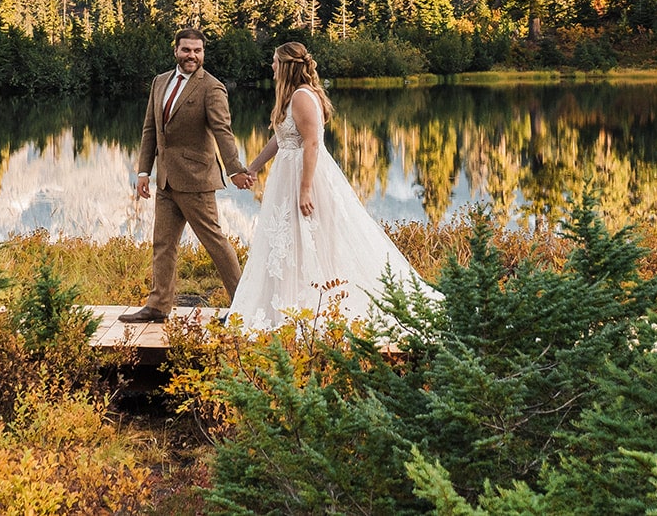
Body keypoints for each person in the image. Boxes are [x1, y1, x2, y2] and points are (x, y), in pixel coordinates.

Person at [229, 41, 439, 331]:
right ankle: (288, 306)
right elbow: (281, 138)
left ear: (288, 66)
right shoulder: (290, 98)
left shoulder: (303, 97)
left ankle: (314, 306)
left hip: (304, 177)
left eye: (276, 62)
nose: (272, 67)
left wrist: (304, 189)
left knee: (307, 238)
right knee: (286, 243)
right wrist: (253, 167)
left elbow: (312, 144)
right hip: (285, 176)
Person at [119, 29, 255, 324]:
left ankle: (243, 305)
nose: (192, 55)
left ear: (203, 53)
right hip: (165, 180)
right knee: (163, 244)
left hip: (197, 181)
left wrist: (234, 169)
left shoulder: (212, 88)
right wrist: (144, 171)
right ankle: (158, 306)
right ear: (176, 51)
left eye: (197, 50)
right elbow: (150, 130)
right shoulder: (160, 82)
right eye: (186, 50)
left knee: (215, 243)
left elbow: (223, 131)